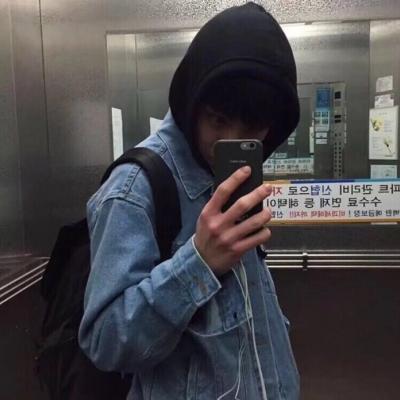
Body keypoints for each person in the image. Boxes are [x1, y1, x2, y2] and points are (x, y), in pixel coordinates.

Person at [79, 2, 300, 399]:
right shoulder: (135, 187)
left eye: (252, 128)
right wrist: (199, 262)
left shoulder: (230, 183)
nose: (229, 142)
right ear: (191, 104)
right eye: (218, 120)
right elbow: (105, 341)